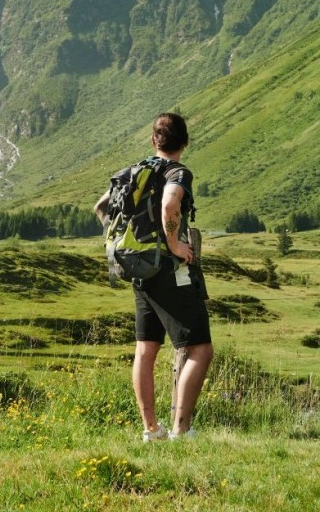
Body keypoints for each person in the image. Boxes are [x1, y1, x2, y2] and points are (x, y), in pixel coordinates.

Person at [94, 113, 212, 442]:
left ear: (153, 141)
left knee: (146, 349)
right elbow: (171, 203)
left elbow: (100, 207)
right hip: (169, 273)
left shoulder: (132, 172)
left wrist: (123, 243)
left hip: (138, 270)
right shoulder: (178, 172)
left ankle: (151, 430)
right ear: (184, 142)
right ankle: (181, 430)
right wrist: (174, 245)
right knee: (200, 349)